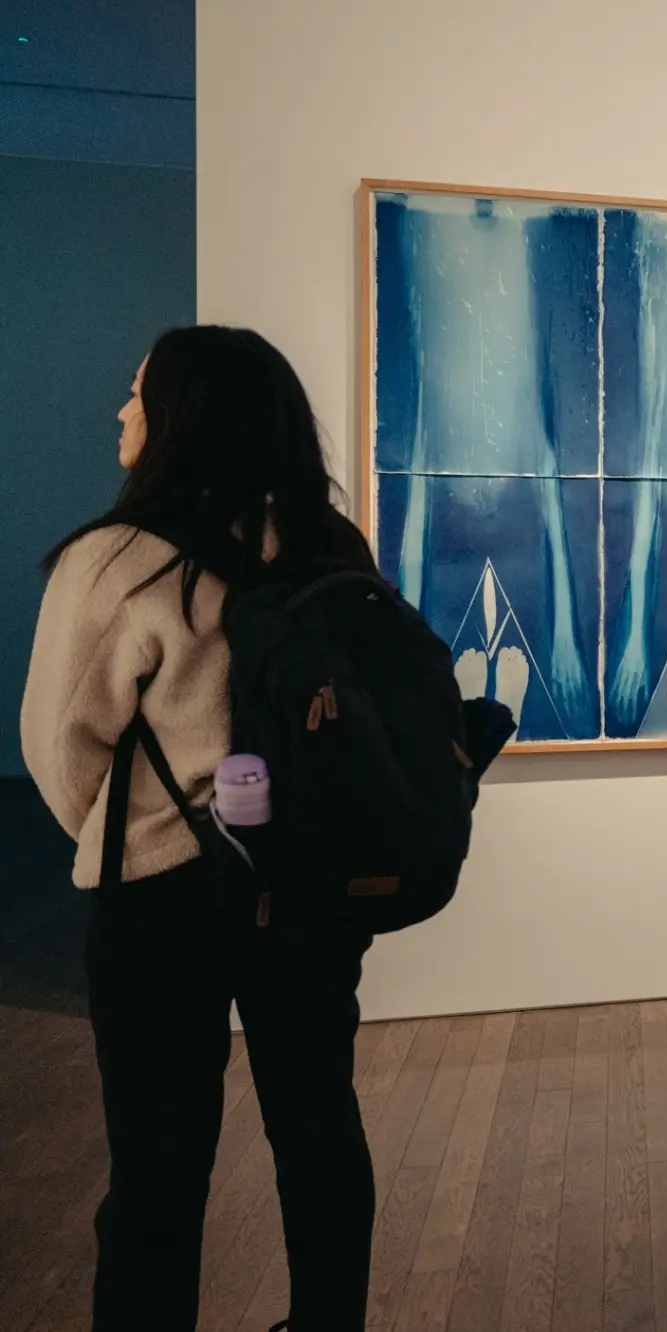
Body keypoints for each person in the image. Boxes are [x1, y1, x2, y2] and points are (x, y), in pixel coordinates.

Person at [23, 326, 383, 1331]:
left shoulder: (115, 561)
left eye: (138, 393)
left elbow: (61, 749)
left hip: (163, 894)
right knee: (319, 1133)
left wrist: (131, 828)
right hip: (307, 884)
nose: (122, 411)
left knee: (157, 1165)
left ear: (183, 415)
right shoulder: (330, 548)